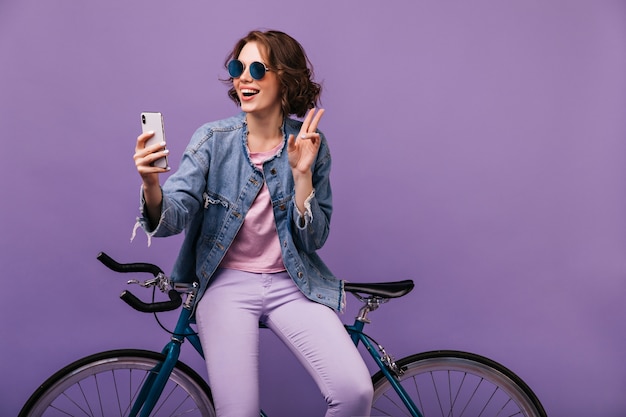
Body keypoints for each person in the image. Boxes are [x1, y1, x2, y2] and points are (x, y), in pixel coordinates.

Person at [132, 30, 373, 416]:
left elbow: (313, 240)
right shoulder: (213, 140)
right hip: (227, 283)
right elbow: (173, 217)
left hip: (292, 283)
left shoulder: (311, 143)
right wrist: (150, 184)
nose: (243, 78)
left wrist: (302, 175)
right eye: (237, 68)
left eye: (257, 69)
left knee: (355, 392)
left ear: (285, 79)